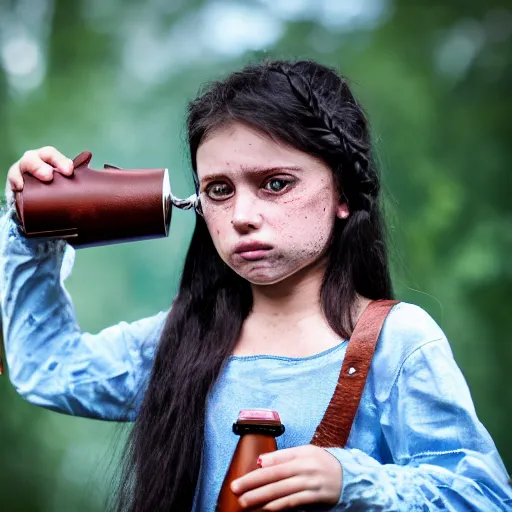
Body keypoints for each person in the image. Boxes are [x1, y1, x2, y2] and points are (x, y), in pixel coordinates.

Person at [1, 60, 511, 512]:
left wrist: (352, 480)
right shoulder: (180, 341)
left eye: (275, 184)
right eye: (219, 190)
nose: (242, 216)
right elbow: (49, 369)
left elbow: (485, 495)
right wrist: (33, 230)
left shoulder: (396, 342)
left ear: (344, 194)